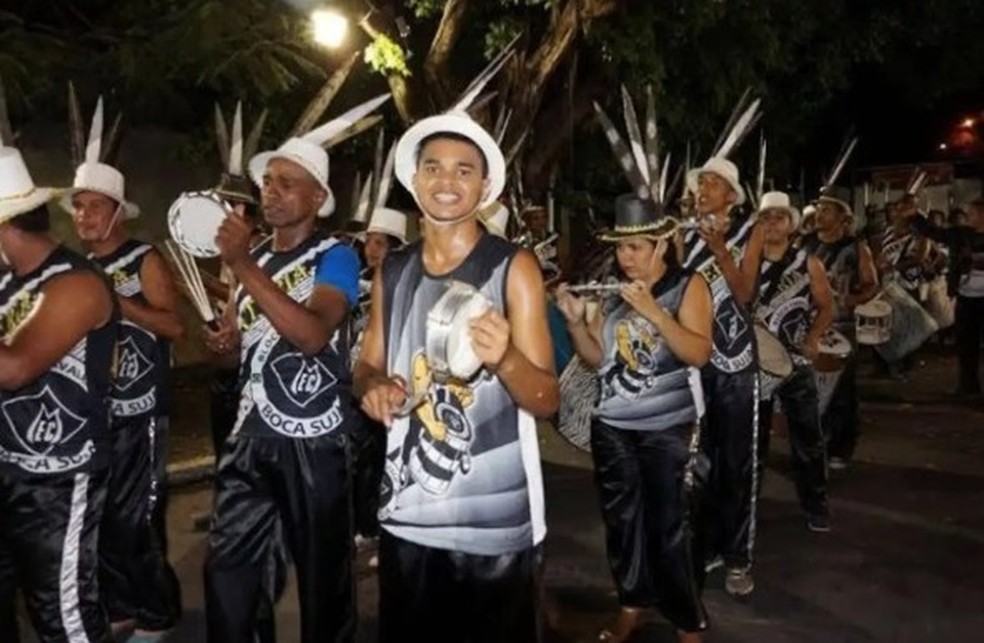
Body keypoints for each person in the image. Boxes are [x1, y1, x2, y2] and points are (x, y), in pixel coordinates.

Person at [355, 110, 559, 642]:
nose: (447, 181)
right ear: (414, 178)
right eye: (435, 168)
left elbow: (546, 398)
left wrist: (506, 358)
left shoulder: (513, 268)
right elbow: (366, 365)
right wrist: (371, 388)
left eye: (464, 170)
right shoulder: (392, 270)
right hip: (406, 513)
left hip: (492, 525)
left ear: (485, 185)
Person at [202, 111, 366, 643]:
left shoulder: (336, 255)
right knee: (230, 576)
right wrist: (223, 348)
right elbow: (236, 358)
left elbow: (314, 333)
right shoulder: (250, 264)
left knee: (324, 585)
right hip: (249, 438)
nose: (270, 194)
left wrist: (243, 265)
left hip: (314, 442)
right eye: (267, 183)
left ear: (317, 198)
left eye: (285, 184)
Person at [556, 193, 712, 643]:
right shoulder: (611, 284)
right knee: (622, 521)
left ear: (662, 245)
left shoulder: (688, 285)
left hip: (669, 427)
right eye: (621, 247)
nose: (625, 257)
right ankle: (631, 603)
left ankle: (687, 620)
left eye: (636, 247)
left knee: (671, 525)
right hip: (613, 427)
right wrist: (573, 324)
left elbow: (698, 352)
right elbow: (597, 359)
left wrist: (653, 312)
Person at [64, 97, 183, 641]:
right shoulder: (78, 268)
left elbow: (174, 327)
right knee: (102, 521)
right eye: (77, 207)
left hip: (142, 413)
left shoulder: (144, 259)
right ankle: (122, 608)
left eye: (92, 206)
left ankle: (158, 614)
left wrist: (114, 297)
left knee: (137, 520)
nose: (83, 216)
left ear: (115, 210)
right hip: (99, 414)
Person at [0, 145, 117, 642]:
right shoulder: (10, 283)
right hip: (9, 465)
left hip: (58, 478)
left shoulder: (76, 284)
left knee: (62, 615)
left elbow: (16, 369)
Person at [681, 157, 759, 597]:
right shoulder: (683, 234)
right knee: (698, 464)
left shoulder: (750, 234)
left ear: (732, 195)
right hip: (693, 362)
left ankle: (737, 557)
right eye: (702, 182)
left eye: (714, 183)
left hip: (734, 365)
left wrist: (720, 250)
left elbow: (746, 294)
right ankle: (705, 546)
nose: (705, 189)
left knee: (735, 464)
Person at [744, 192, 832, 531]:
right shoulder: (745, 262)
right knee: (753, 440)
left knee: (807, 437)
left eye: (779, 217)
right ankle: (747, 505)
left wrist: (812, 339)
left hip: (795, 362)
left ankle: (816, 502)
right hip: (755, 363)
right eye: (766, 217)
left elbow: (827, 307)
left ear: (792, 224)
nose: (772, 224)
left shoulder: (808, 263)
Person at [799, 195, 879, 469]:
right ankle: (813, 444)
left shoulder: (856, 248)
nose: (819, 214)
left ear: (842, 217)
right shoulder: (806, 244)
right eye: (818, 209)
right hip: (808, 325)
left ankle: (840, 447)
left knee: (841, 391)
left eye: (827, 210)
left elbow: (871, 284)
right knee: (809, 389)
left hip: (841, 327)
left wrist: (850, 301)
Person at [901, 198, 984, 399]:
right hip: (966, 298)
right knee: (966, 346)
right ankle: (968, 386)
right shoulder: (959, 234)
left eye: (972, 212)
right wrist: (914, 215)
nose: (968, 216)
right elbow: (934, 232)